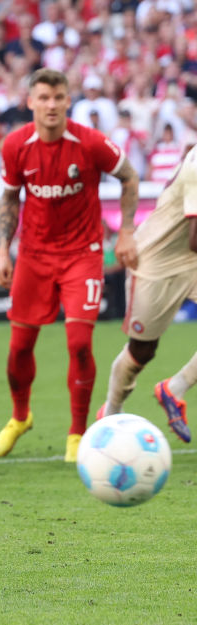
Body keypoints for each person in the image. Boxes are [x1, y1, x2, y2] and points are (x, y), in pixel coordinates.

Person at [0, 68, 140, 463]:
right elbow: (9, 198)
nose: (51, 105)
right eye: (44, 98)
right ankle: (20, 417)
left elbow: (129, 176)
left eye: (58, 97)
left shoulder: (90, 142)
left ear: (69, 101)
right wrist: (3, 250)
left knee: (79, 343)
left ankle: (77, 432)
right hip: (34, 256)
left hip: (82, 255)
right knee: (19, 347)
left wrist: (126, 231)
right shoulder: (16, 145)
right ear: (30, 102)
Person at [95, 145, 197, 443]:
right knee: (142, 350)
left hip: (191, 260)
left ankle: (174, 389)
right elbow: (195, 239)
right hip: (156, 260)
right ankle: (111, 412)